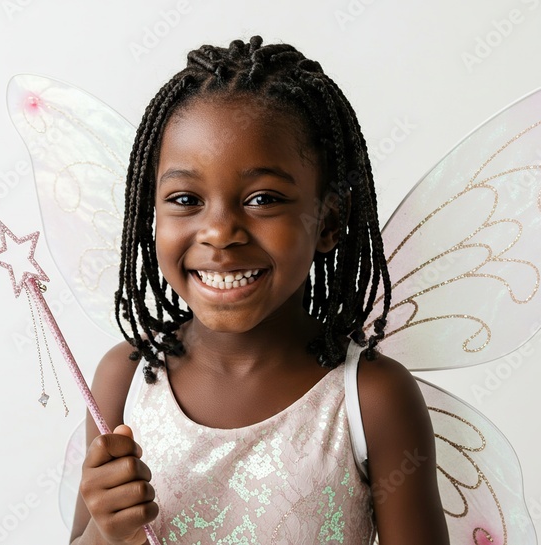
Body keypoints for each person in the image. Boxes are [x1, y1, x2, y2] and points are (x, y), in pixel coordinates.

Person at [69, 35, 448, 545]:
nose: (219, 232)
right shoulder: (126, 380)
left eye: (262, 199)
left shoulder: (370, 400)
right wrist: (104, 531)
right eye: (185, 199)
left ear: (329, 220)